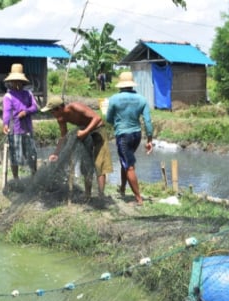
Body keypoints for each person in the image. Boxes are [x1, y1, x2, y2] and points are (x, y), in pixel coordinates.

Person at [41, 96, 113, 200]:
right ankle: (87, 194)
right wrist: (56, 153)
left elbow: (97, 118)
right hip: (85, 134)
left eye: (52, 112)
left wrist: (85, 132)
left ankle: (101, 195)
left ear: (59, 108)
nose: (52, 114)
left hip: (98, 131)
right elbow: (63, 137)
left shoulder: (75, 107)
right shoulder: (60, 118)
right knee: (86, 164)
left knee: (99, 163)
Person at [106, 71, 153, 206]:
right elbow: (148, 121)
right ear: (132, 85)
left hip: (123, 136)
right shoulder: (141, 99)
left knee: (129, 166)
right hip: (136, 135)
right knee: (126, 162)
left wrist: (118, 120)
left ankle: (138, 199)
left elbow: (109, 119)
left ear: (120, 85)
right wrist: (149, 140)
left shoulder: (114, 99)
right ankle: (122, 188)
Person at [2, 63, 38, 179]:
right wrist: (5, 125)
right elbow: (6, 112)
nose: (17, 84)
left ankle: (34, 176)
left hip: (27, 129)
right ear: (11, 82)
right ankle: (16, 178)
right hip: (15, 129)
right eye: (15, 81)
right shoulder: (8, 96)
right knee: (15, 156)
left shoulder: (28, 93)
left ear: (23, 82)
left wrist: (26, 112)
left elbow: (35, 107)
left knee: (31, 155)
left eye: (19, 81)